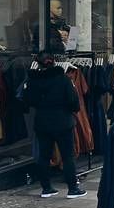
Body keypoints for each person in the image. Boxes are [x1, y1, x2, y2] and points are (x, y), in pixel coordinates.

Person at [26, 49, 85, 199]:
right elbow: (73, 102)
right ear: (54, 62)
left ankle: (46, 188)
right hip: (62, 121)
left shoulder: (33, 80)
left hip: (42, 122)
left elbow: (29, 101)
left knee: (44, 156)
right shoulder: (63, 79)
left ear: (38, 64)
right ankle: (72, 188)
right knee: (67, 155)